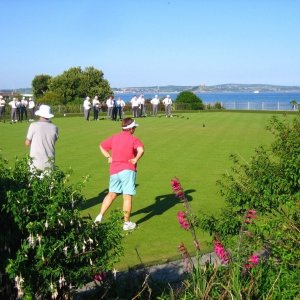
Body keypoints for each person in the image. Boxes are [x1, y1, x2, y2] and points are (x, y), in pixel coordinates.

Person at [94, 117, 144, 231]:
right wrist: (136, 159)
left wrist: (108, 157)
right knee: (127, 197)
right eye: (134, 127)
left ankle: (99, 216)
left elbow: (101, 146)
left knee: (111, 194)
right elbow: (141, 150)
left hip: (114, 170)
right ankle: (126, 223)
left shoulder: (114, 137)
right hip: (127, 170)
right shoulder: (134, 139)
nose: (135, 129)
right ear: (131, 129)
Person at [25, 105, 58, 172]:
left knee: (34, 181)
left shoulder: (33, 125)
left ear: (40, 114)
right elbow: (54, 141)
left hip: (35, 161)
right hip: (49, 160)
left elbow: (27, 143)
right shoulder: (54, 127)